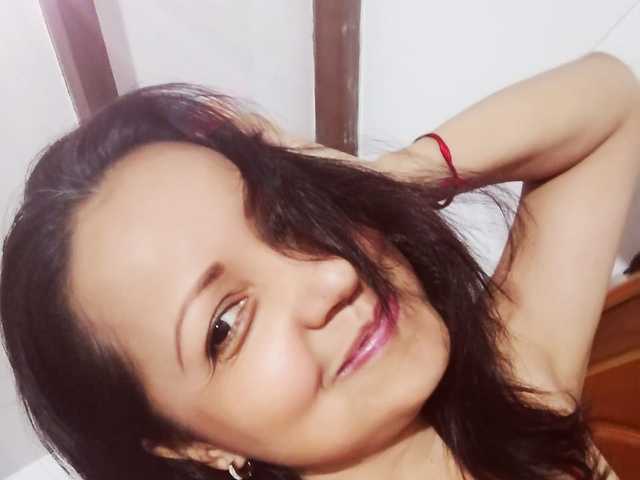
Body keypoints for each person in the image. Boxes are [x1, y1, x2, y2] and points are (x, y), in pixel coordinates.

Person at [1, 52, 637, 480]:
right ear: (191, 444)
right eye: (225, 325)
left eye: (286, 217)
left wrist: (387, 178)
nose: (334, 275)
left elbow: (611, 103)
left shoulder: (513, 392)